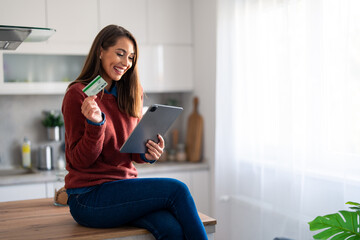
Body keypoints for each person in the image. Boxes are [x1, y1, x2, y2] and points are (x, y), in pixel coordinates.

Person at [61, 24, 208, 240]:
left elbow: (128, 152)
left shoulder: (131, 93)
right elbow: (80, 161)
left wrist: (146, 153)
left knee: (172, 230)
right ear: (100, 51)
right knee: (177, 189)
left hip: (124, 188)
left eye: (130, 57)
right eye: (120, 54)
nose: (125, 63)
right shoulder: (78, 94)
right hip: (88, 197)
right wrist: (95, 125)